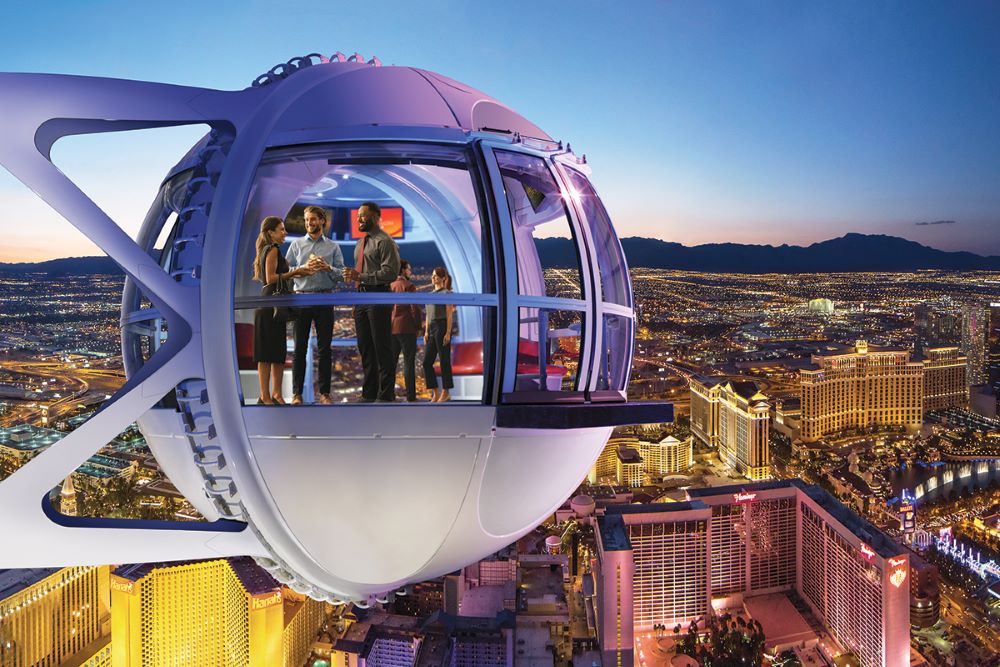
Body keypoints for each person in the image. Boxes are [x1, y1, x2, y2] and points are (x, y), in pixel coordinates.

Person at [252, 216, 315, 405]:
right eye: (281, 229)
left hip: (274, 305)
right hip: (269, 305)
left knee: (277, 352)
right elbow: (271, 278)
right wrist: (296, 272)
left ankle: (277, 394)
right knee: (265, 354)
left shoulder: (273, 250)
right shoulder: (271, 249)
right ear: (271, 232)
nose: (285, 233)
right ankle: (265, 395)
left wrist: (298, 271)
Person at [285, 205, 345, 404]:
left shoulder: (333, 247)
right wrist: (302, 268)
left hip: (324, 299)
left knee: (325, 349)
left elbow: (341, 275)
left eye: (313, 219)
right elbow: (286, 271)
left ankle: (325, 394)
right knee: (299, 349)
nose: (309, 223)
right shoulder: (296, 245)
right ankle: (296, 394)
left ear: (322, 221)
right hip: (301, 299)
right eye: (307, 220)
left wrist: (328, 268)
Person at [342, 202, 401, 402]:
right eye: (358, 216)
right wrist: (357, 299)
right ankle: (369, 394)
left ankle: (386, 395)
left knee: (382, 348)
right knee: (365, 348)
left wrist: (361, 277)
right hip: (362, 299)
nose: (358, 219)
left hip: (378, 297)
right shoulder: (361, 243)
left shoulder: (384, 241)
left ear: (376, 218)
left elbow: (391, 273)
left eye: (363, 216)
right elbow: (359, 275)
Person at [422, 267, 456, 402]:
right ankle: (435, 391)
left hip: (442, 326)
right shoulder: (429, 295)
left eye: (436, 276)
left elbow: (449, 314)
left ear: (443, 278)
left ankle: (446, 392)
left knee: (444, 361)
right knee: (426, 362)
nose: (433, 278)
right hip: (431, 329)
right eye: (432, 275)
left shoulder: (447, 294)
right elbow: (427, 316)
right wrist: (426, 331)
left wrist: (448, 332)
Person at [390, 260, 421, 402]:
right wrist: (418, 326)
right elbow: (415, 308)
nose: (410, 272)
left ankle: (388, 394)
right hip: (407, 327)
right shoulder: (409, 286)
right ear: (402, 270)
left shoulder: (390, 286)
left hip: (392, 328)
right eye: (408, 269)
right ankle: (411, 396)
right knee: (409, 362)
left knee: (391, 363)